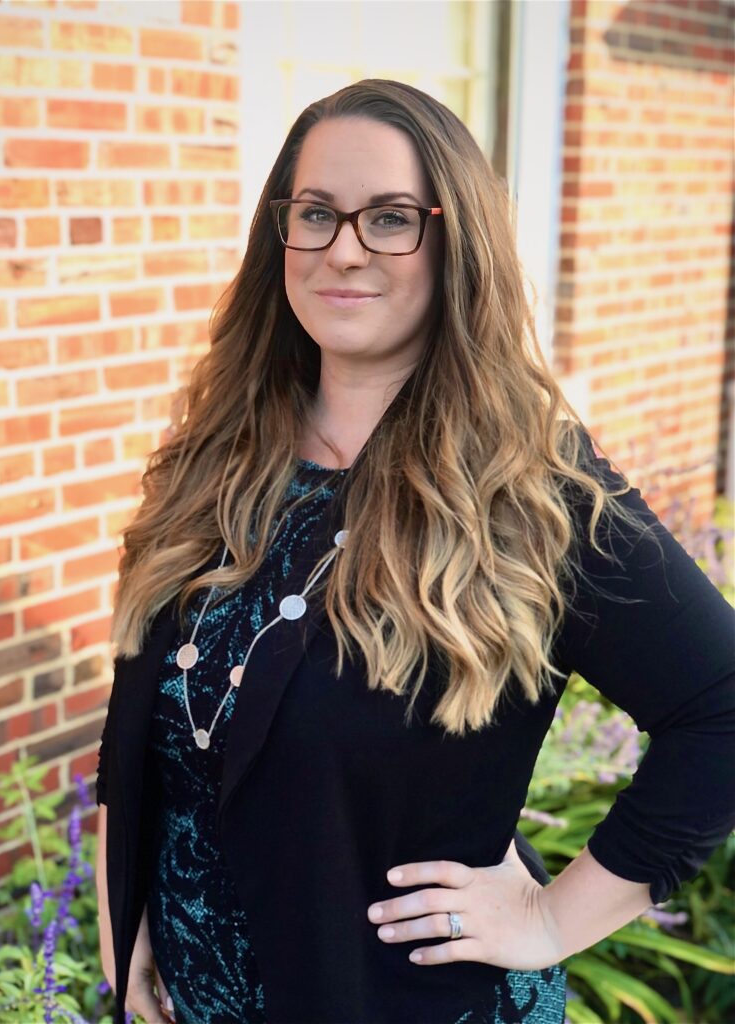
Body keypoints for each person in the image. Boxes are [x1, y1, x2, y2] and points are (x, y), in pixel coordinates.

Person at [95, 79, 735, 1024]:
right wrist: (131, 910)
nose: (344, 248)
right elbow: (147, 723)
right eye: (316, 214)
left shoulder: (530, 491)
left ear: (455, 242)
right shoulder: (216, 460)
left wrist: (553, 922)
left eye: (390, 217)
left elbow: (719, 710)